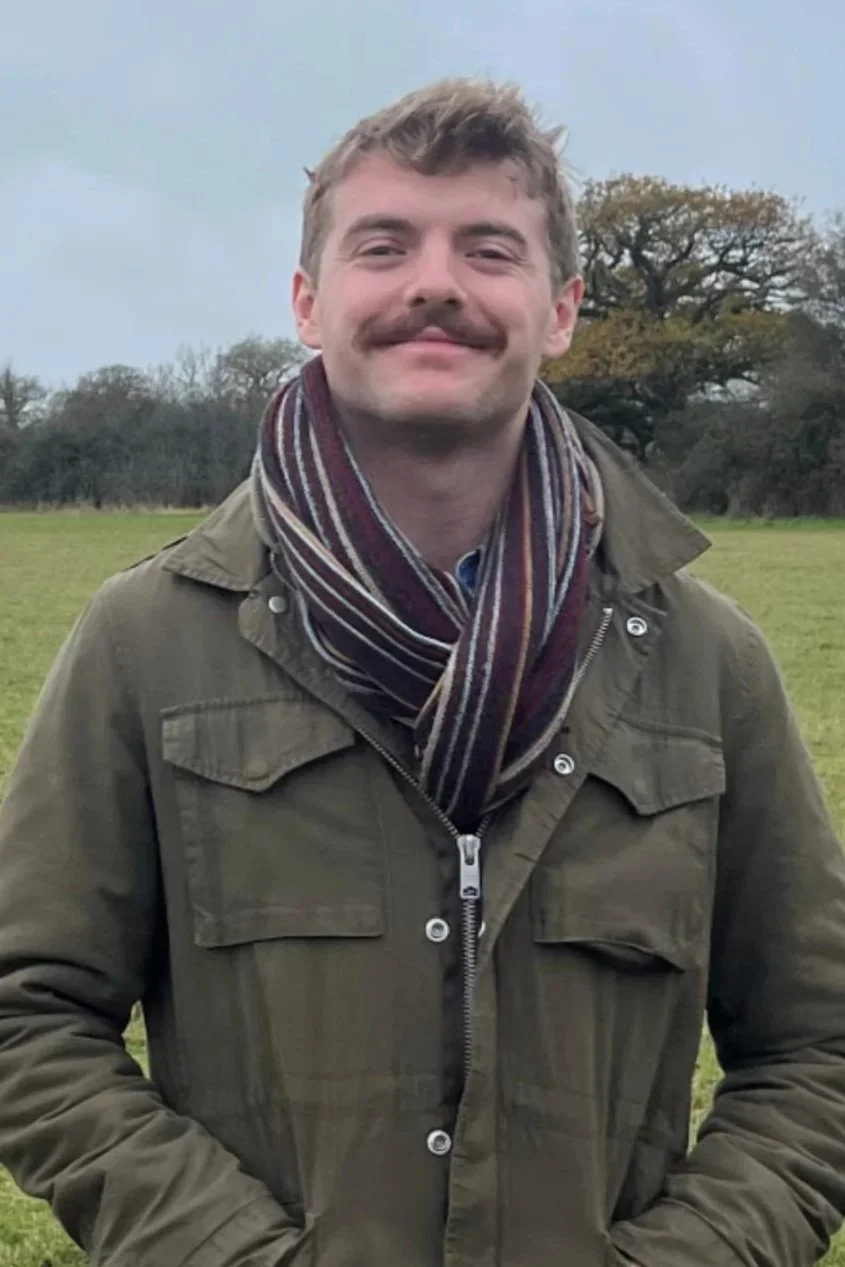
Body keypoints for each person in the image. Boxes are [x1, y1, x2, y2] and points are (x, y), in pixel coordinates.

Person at [0, 78, 844, 1267]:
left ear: (559, 309)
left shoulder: (707, 664)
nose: (433, 282)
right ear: (308, 301)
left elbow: (818, 1049)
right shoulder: (146, 641)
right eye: (382, 245)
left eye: (487, 249)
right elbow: (27, 1011)